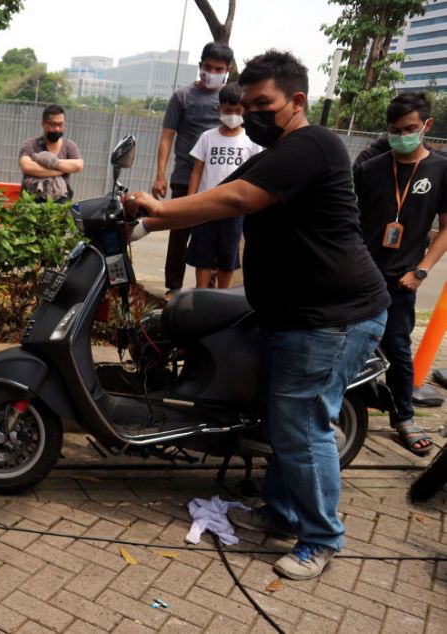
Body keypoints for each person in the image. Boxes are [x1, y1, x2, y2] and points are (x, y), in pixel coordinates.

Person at [125, 50, 389, 581]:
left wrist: (156, 214)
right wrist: (144, 223)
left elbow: (237, 200)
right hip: (292, 316)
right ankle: (283, 511)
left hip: (331, 318)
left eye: (264, 104)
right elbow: (217, 190)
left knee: (304, 426)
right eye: (248, 106)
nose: (253, 115)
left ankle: (320, 536)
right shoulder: (275, 152)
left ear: (297, 100)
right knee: (278, 419)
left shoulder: (314, 144)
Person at [354, 93, 447, 456]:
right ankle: (345, 408)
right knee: (346, 344)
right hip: (361, 277)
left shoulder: (440, 170)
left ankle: (403, 419)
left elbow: (444, 229)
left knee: (397, 350)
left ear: (427, 125)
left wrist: (420, 271)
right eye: (395, 130)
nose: (402, 136)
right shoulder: (370, 169)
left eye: (410, 129)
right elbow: (351, 220)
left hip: (402, 281)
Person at [153, 42, 235, 299]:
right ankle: (173, 286)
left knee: (215, 237)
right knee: (179, 232)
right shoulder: (182, 96)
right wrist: (161, 174)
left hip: (219, 179)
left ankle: (209, 292)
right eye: (207, 67)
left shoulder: (232, 100)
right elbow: (167, 136)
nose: (212, 72)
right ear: (200, 66)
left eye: (218, 68)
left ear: (227, 70)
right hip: (185, 175)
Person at [184, 83, 263, 288]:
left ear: (244, 110)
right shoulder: (207, 137)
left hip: (234, 209)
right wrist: (190, 202)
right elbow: (197, 171)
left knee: (228, 257)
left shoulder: (251, 141)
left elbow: (257, 174)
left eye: (238, 111)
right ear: (219, 109)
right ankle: (201, 295)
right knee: (202, 255)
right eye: (228, 111)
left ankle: (222, 297)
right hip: (206, 207)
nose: (233, 115)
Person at [19, 104, 84, 203]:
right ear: (44, 124)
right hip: (32, 205)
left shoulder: (69, 146)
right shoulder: (31, 145)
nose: (57, 129)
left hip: (60, 203)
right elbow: (27, 167)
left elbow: (78, 165)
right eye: (53, 124)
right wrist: (61, 171)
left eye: (60, 124)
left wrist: (53, 163)